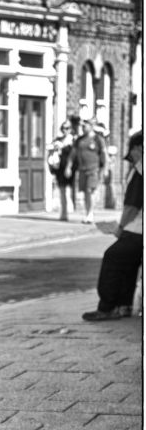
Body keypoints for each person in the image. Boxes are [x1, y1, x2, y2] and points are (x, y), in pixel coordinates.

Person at [83, 130, 143, 321]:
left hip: (137, 229)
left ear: (139, 148)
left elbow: (132, 206)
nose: (132, 156)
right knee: (129, 262)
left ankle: (108, 306)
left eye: (133, 151)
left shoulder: (140, 170)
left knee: (113, 257)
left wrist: (120, 227)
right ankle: (124, 305)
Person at [65, 117, 107, 223]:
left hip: (93, 169)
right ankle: (88, 212)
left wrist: (105, 169)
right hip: (82, 169)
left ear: (91, 126)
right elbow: (72, 154)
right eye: (82, 126)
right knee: (85, 192)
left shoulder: (98, 139)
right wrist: (68, 167)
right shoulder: (79, 140)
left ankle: (90, 214)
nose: (83, 128)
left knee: (90, 191)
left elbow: (104, 155)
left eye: (85, 126)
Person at [47, 120, 76, 221]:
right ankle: (64, 213)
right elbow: (50, 150)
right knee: (62, 190)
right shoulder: (58, 140)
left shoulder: (73, 141)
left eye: (67, 128)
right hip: (60, 168)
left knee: (69, 190)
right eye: (63, 128)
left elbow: (75, 155)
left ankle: (70, 209)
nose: (65, 130)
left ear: (71, 129)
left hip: (71, 169)